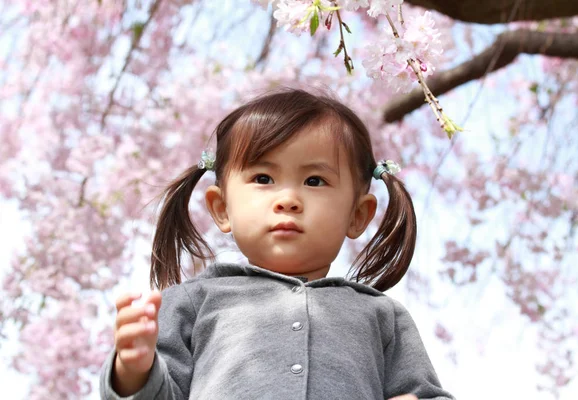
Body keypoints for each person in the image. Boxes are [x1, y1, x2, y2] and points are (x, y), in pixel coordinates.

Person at [99, 88, 455, 400]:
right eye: (263, 178)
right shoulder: (194, 302)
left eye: (315, 180)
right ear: (222, 208)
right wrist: (134, 370)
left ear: (357, 216)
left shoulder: (382, 317)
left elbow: (426, 393)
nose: (288, 199)